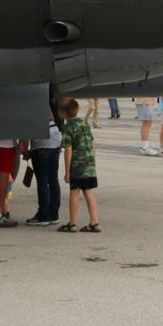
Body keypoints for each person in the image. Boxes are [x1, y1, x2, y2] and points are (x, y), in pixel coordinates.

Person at [56, 98, 100, 233]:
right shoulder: (83, 123)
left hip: (78, 165)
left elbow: (68, 150)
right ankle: (95, 222)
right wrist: (90, 158)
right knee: (89, 192)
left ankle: (72, 223)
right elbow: (93, 143)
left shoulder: (68, 127)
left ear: (63, 113)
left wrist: (67, 171)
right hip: (89, 163)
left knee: (74, 192)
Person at [26, 106, 64, 226]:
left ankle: (44, 215)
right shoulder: (42, 100)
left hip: (41, 141)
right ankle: (54, 214)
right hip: (55, 136)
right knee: (53, 179)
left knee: (42, 180)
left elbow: (24, 133)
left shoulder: (26, 104)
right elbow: (51, 116)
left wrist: (25, 152)